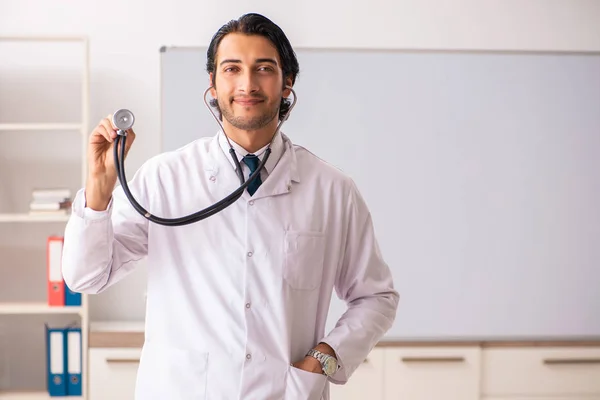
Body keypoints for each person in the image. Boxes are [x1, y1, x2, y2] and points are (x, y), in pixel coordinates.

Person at [62, 12, 399, 400]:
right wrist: (99, 192)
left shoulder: (332, 190)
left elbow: (377, 297)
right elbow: (84, 277)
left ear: (287, 82)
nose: (247, 84)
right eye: (232, 68)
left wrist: (325, 356)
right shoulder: (164, 178)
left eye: (264, 68)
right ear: (213, 82)